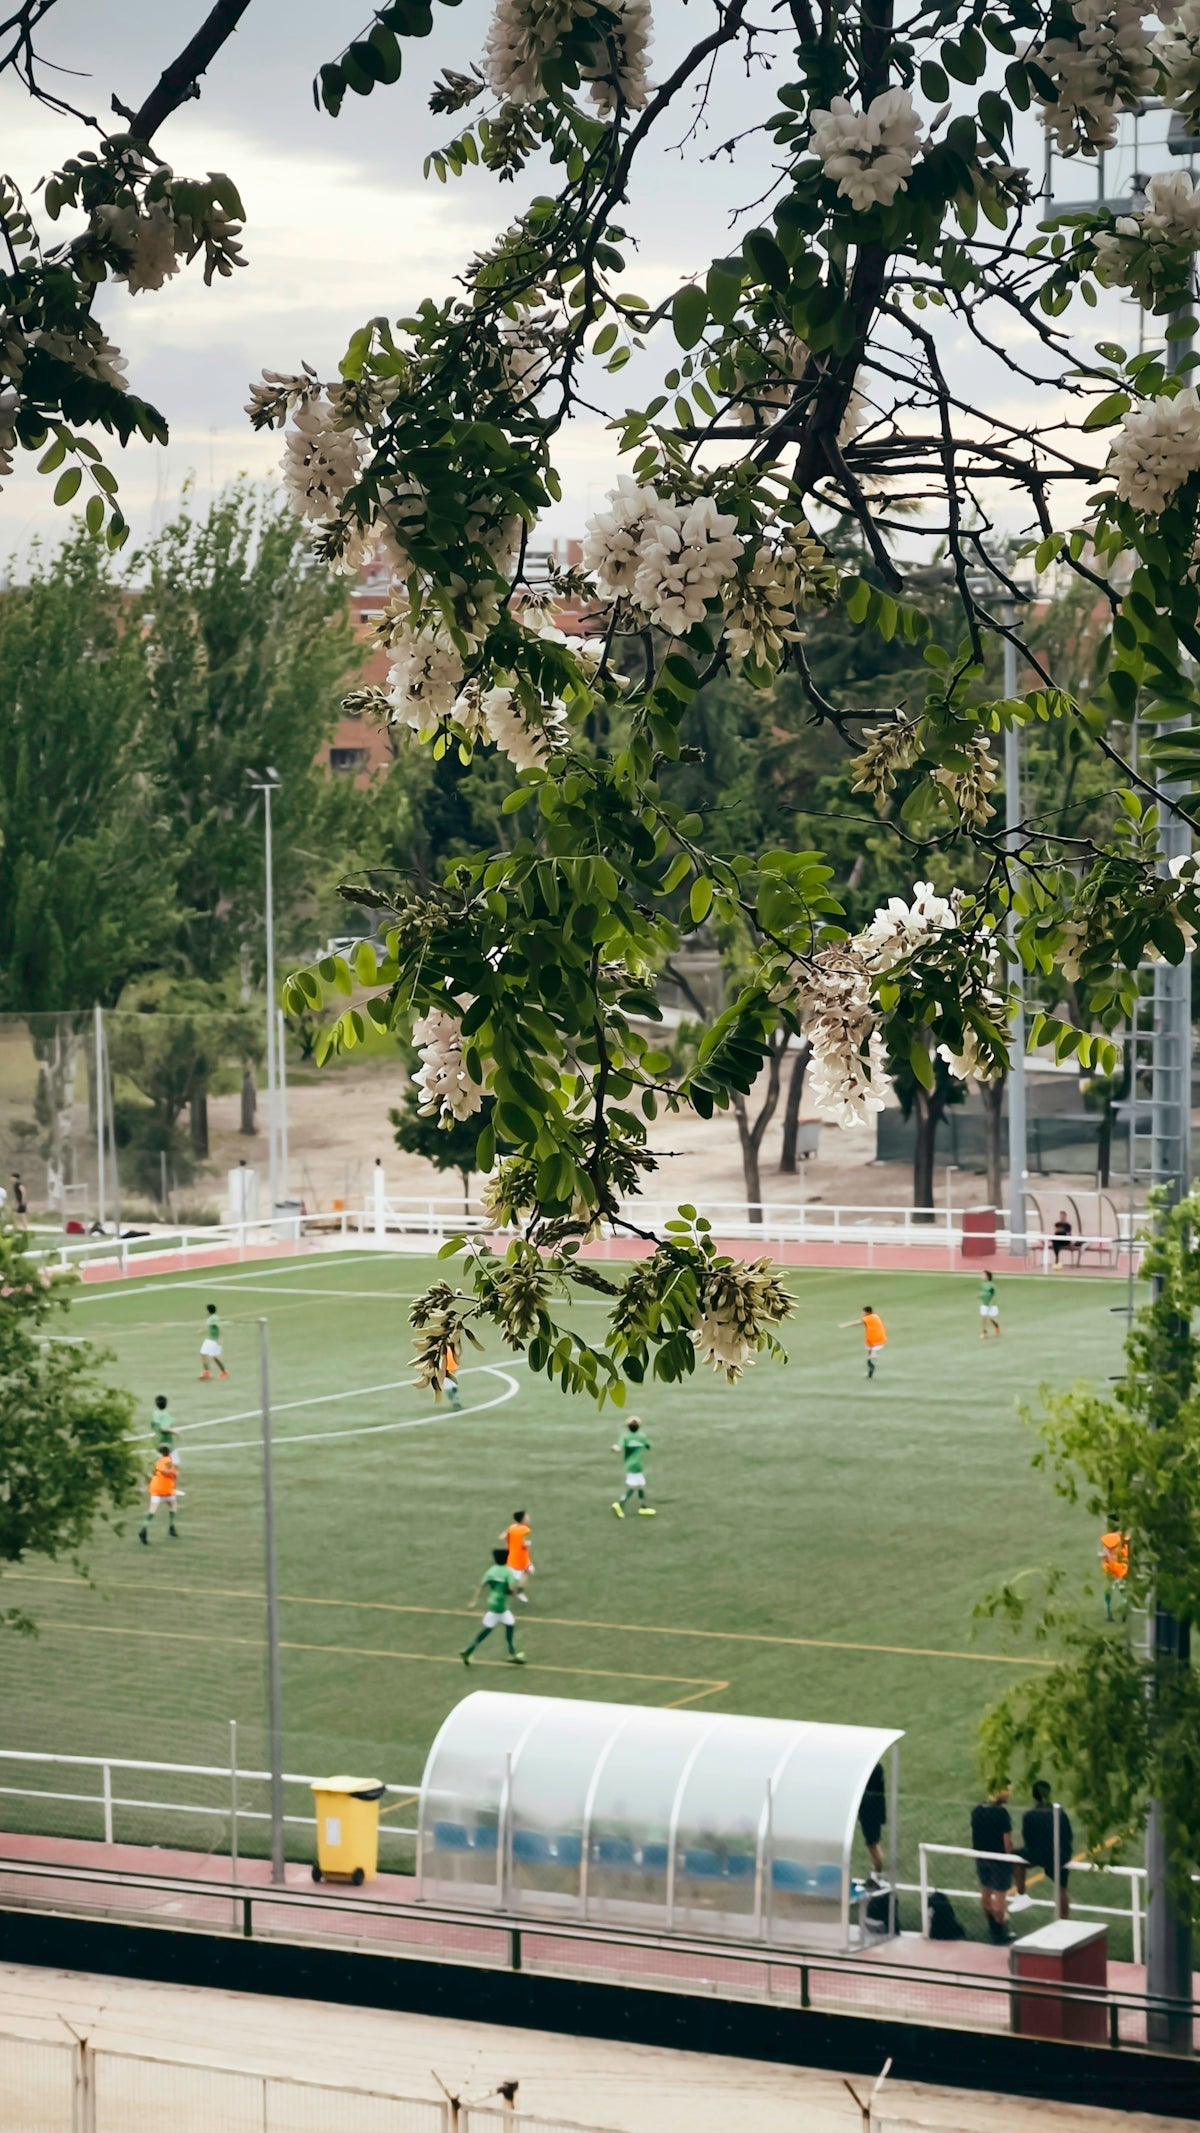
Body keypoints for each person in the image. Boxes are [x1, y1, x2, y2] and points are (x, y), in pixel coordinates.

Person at [461, 1547, 525, 1665]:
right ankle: (512, 1654)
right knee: (510, 1626)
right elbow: (511, 1589)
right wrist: (516, 1591)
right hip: (500, 1604)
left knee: (487, 1630)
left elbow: (481, 1586)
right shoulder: (507, 1572)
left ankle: (468, 1650)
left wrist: (473, 1601)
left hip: (492, 1602)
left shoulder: (490, 1571)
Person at [1021, 1781, 1074, 1920]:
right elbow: (1069, 1835)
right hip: (1060, 1854)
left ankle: (1020, 1894)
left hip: (1037, 1854)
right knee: (1061, 1888)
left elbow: (1028, 1838)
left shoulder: (1030, 1815)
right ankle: (1064, 1920)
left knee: (1015, 1858)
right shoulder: (1060, 1812)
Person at [971, 1785, 1015, 1944]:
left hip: (981, 1856)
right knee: (1000, 1895)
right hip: (998, 1858)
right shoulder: (1001, 1813)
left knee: (986, 1891)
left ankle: (991, 1927)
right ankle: (999, 1932)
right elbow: (1007, 1840)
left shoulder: (977, 1809)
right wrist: (1010, 1857)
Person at [612, 1417, 655, 1518]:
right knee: (633, 1487)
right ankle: (619, 1504)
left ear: (628, 1426)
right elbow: (648, 1446)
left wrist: (614, 1448)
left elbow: (619, 1448)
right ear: (639, 1426)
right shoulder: (642, 1436)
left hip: (631, 1466)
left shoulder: (625, 1437)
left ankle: (643, 1508)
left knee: (640, 1486)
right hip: (637, 1466)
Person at [139, 1446, 181, 1544]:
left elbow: (158, 1473)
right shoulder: (168, 1460)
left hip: (156, 1488)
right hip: (165, 1489)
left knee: (152, 1511)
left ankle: (144, 1529)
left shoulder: (159, 1461)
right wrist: (174, 1472)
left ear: (161, 1453)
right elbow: (167, 1471)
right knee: (173, 1506)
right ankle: (171, 1527)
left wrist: (147, 1486)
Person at [839, 1304, 888, 1379]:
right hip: (881, 1337)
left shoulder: (867, 1318)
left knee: (872, 1353)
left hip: (874, 1339)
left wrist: (845, 1325)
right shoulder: (876, 1316)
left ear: (867, 1312)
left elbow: (856, 1323)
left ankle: (872, 1364)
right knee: (871, 1352)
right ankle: (870, 1371)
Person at [858, 1763, 887, 1880]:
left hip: (869, 1812)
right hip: (876, 1810)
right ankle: (877, 1872)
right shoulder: (878, 1768)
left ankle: (878, 1874)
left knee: (872, 1844)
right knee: (874, 1843)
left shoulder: (870, 1770)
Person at [1100, 1521, 1130, 1619]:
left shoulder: (1108, 1539)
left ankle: (1109, 1613)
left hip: (1111, 1568)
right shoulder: (1125, 1538)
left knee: (1109, 1591)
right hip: (1122, 1567)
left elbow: (1105, 1555)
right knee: (1123, 1590)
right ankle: (1124, 1610)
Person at [501, 1509, 534, 1600]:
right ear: (523, 1519)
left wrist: (511, 1545)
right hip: (519, 1558)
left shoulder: (512, 1526)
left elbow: (503, 1536)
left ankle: (512, 1588)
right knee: (525, 1572)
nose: (529, 1517)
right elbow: (523, 1539)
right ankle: (516, 1591)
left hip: (515, 1556)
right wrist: (525, 1544)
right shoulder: (525, 1529)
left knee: (527, 1571)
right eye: (527, 1516)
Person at [199, 1302, 228, 1381]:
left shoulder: (212, 1318)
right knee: (206, 1355)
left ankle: (221, 1372)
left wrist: (220, 1339)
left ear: (208, 1311)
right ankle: (208, 1372)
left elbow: (219, 1327)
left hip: (213, 1340)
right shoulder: (213, 1317)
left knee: (211, 1356)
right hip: (210, 1339)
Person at [152, 1394, 177, 1458]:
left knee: (161, 1462)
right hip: (165, 1442)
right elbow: (163, 1428)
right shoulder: (165, 1415)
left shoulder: (155, 1414)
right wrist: (174, 1431)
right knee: (169, 1462)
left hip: (158, 1441)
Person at [979, 1270, 1001, 1339]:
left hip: (992, 1305)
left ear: (988, 1277)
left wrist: (991, 1303)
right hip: (984, 1304)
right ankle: (984, 1332)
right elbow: (983, 1293)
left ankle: (996, 1325)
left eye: (984, 1275)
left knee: (991, 1319)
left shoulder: (991, 1285)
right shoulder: (983, 1284)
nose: (982, 1276)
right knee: (984, 1317)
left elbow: (993, 1294)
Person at [444, 1341, 462, 1412]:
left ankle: (456, 1401)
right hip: (445, 1372)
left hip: (453, 1369)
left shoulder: (451, 1346)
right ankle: (454, 1403)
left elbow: (456, 1356)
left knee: (454, 1387)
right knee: (449, 1388)